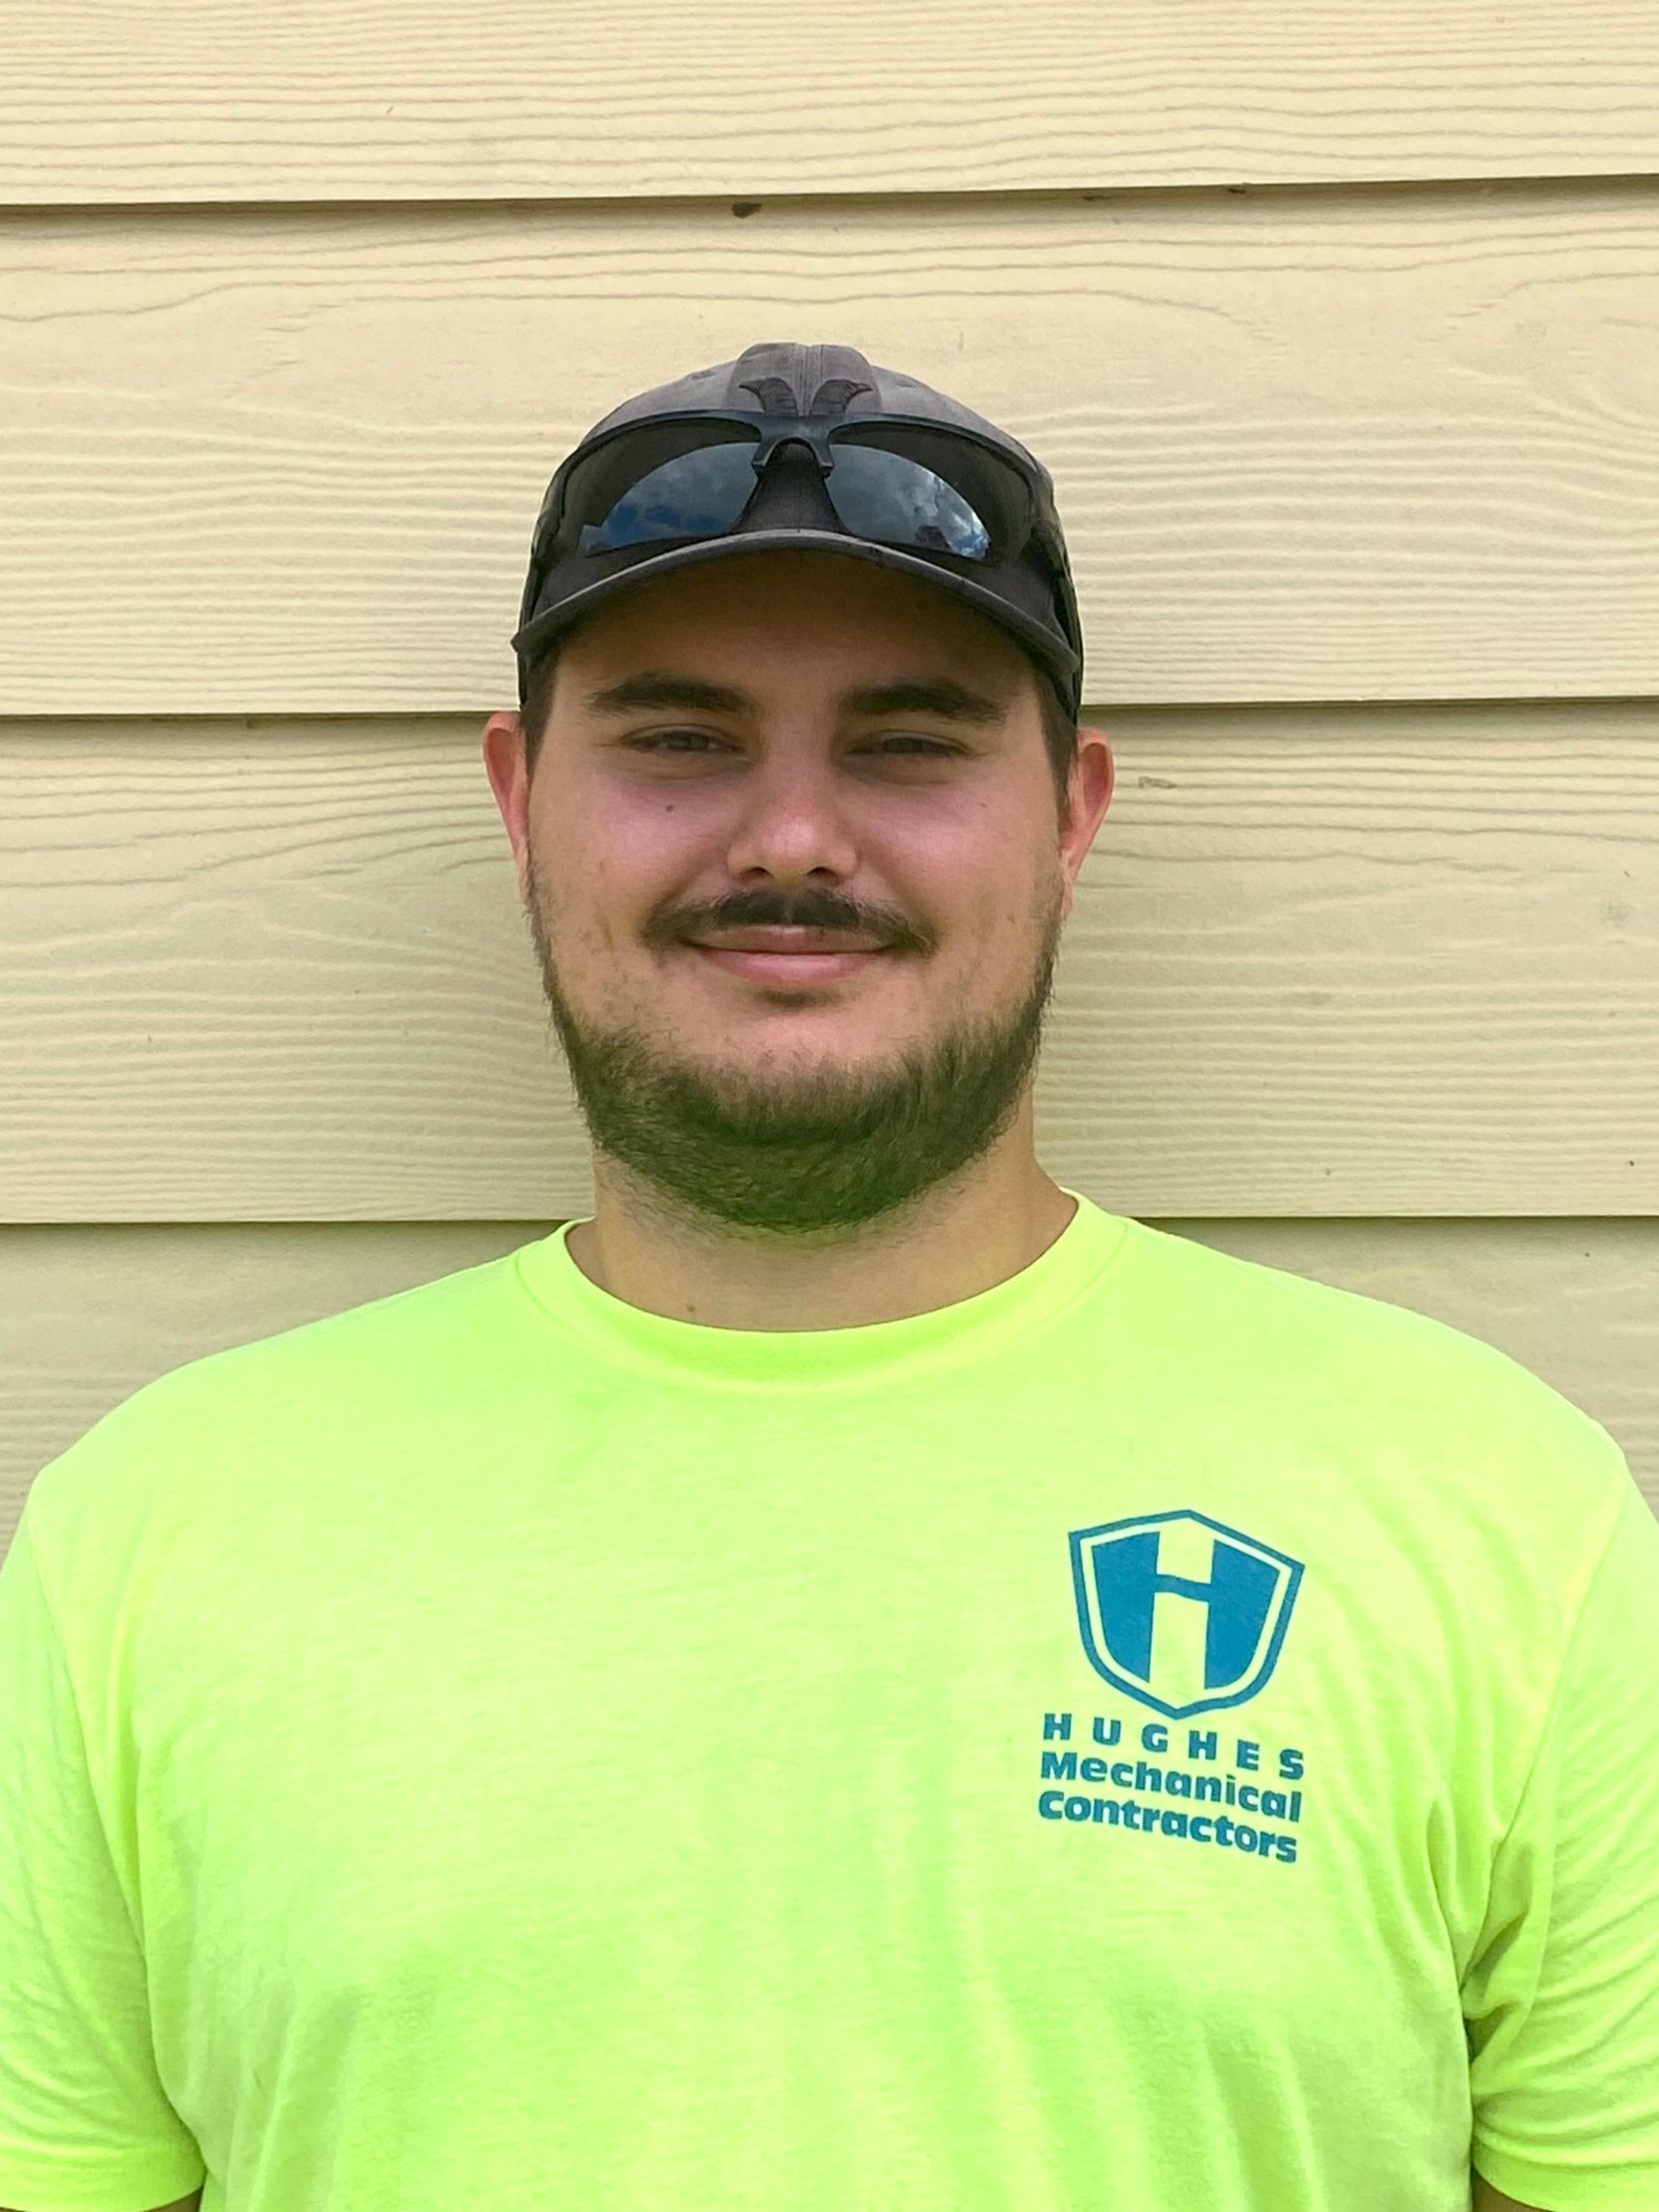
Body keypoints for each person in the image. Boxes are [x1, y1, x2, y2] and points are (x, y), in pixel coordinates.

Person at [0, 341, 1653, 2212]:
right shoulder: (148, 1538)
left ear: (1071, 812)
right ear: (522, 796)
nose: (790, 839)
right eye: (680, 739)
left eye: (909, 740)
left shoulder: (1497, 1515)